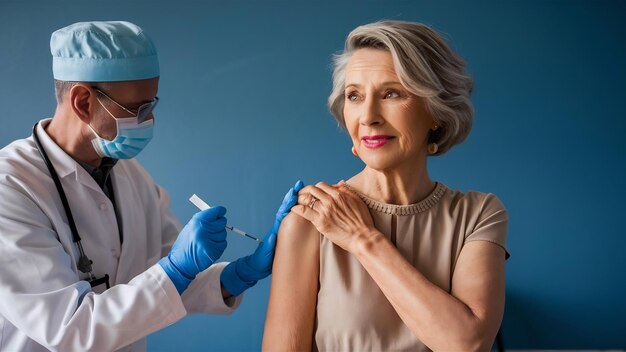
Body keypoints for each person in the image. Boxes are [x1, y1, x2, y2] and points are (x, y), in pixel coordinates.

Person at [0, 21, 302, 352]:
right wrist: (176, 268)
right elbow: (70, 328)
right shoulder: (11, 187)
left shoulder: (131, 175)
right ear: (83, 102)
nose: (149, 121)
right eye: (137, 109)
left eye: (151, 106)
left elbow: (169, 279)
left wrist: (236, 275)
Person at [263, 20, 509, 351]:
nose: (368, 116)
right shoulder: (310, 222)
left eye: (391, 93)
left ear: (435, 110)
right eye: (354, 96)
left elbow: (466, 343)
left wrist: (364, 240)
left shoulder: (479, 215)